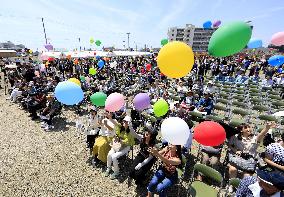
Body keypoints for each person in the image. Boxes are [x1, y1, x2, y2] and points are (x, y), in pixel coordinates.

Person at [228, 122, 277, 187]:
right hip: (237, 159)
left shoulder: (255, 138)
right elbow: (229, 144)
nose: (249, 129)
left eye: (249, 127)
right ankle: (231, 185)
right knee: (232, 169)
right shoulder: (235, 137)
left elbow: (262, 134)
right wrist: (236, 150)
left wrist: (267, 127)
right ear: (241, 130)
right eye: (246, 128)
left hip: (249, 162)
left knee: (247, 177)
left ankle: (241, 189)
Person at [105, 115, 136, 179]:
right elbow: (115, 123)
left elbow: (126, 142)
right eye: (124, 121)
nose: (124, 123)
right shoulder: (120, 127)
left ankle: (117, 172)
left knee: (114, 157)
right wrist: (110, 118)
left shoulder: (130, 132)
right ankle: (109, 168)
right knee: (109, 154)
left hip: (126, 146)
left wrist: (118, 139)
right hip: (118, 145)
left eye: (126, 122)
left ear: (129, 123)